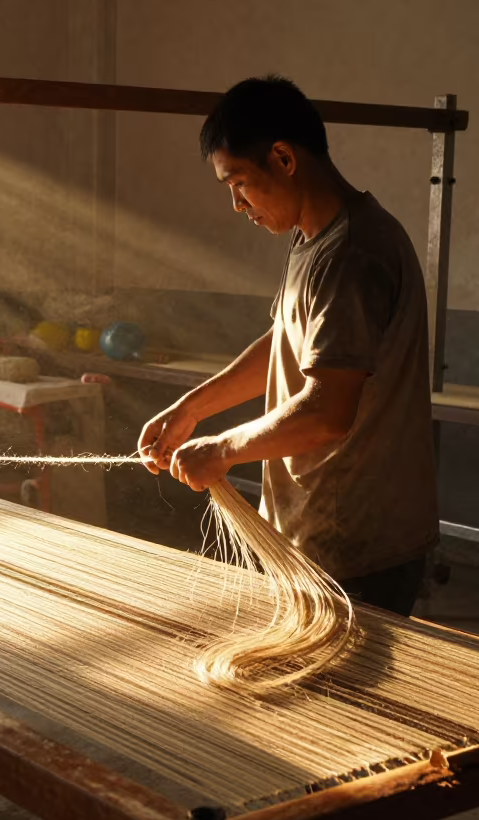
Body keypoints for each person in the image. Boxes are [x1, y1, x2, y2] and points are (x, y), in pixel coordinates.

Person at [138, 76, 438, 616]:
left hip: (357, 546)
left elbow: (327, 412)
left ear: (283, 157)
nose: (236, 204)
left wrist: (222, 449)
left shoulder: (353, 254)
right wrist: (191, 410)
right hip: (315, 529)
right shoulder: (313, 240)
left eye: (239, 183)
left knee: (339, 698)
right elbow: (286, 344)